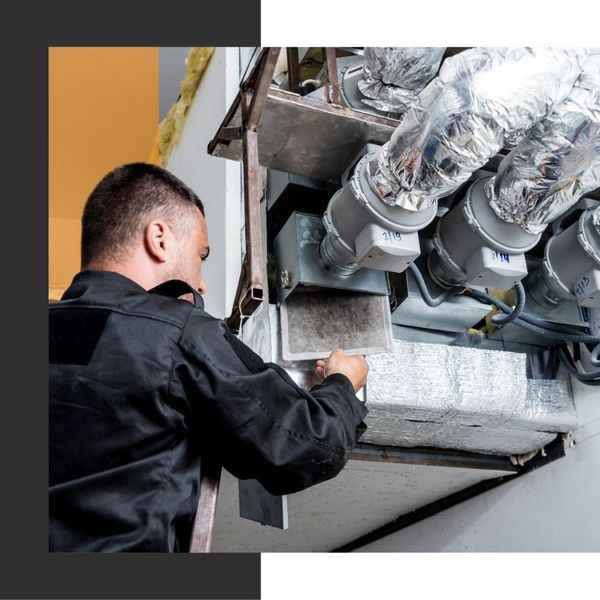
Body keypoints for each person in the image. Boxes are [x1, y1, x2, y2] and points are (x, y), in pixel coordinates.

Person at [49, 162, 370, 552]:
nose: (200, 282)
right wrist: (342, 385)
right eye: (201, 255)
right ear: (159, 238)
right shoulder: (176, 331)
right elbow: (306, 445)